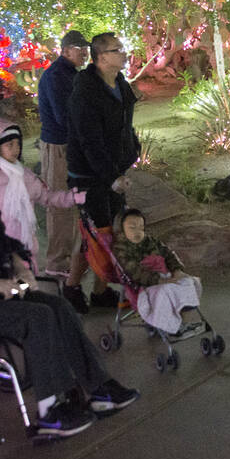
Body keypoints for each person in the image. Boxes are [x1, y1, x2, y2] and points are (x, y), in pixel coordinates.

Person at [0, 140, 139, 438]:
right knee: (37, 317)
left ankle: (98, 388)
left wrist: (20, 264)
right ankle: (50, 409)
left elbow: (5, 242)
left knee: (58, 306)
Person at [64, 32, 138, 313]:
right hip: (88, 176)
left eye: (122, 47)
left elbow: (125, 126)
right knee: (95, 234)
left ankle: (100, 290)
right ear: (101, 57)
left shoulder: (120, 83)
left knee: (111, 231)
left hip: (113, 170)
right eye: (117, 49)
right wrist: (111, 177)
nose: (123, 53)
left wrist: (133, 150)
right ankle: (71, 287)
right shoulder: (85, 92)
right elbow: (89, 141)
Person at [0, 116, 86, 261]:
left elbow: (46, 197)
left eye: (17, 144)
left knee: (26, 280)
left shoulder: (25, 175)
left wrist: (72, 197)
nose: (16, 149)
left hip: (25, 244)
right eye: (9, 145)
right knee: (6, 281)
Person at [35, 30, 90, 276]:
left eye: (85, 48)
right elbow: (64, 115)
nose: (85, 53)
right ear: (66, 50)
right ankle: (57, 262)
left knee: (74, 201)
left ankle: (71, 259)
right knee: (58, 204)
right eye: (80, 49)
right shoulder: (57, 76)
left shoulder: (70, 74)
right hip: (58, 146)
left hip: (70, 144)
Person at [113, 208, 203, 336]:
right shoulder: (121, 248)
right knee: (165, 291)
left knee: (191, 282)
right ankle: (172, 326)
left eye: (141, 227)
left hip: (166, 276)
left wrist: (176, 270)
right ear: (121, 230)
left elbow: (168, 254)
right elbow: (133, 271)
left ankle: (184, 320)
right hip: (146, 285)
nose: (138, 231)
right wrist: (160, 280)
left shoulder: (150, 240)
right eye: (132, 228)